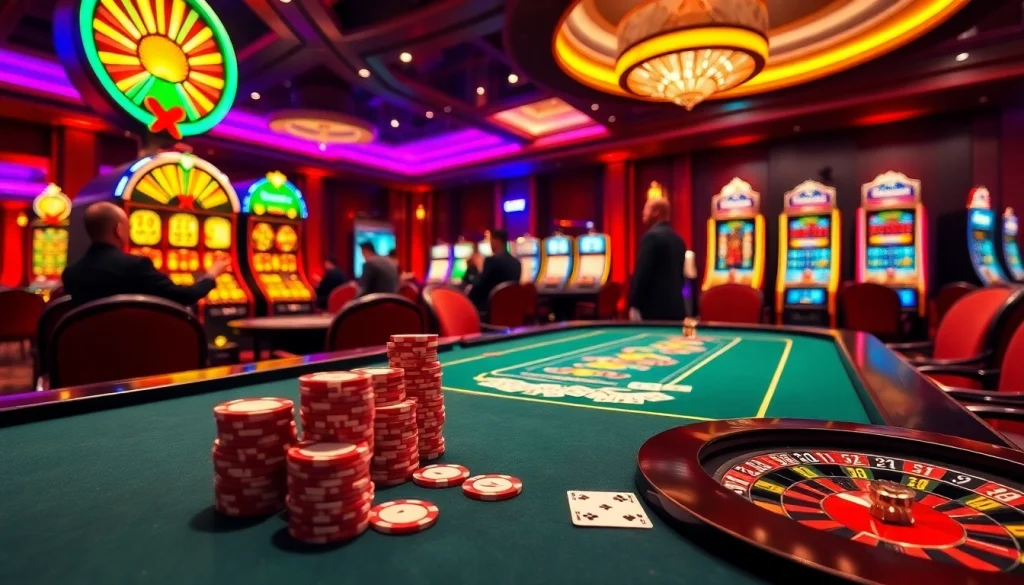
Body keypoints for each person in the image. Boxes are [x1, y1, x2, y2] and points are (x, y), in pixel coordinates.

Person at [62, 202, 228, 306]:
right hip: (137, 351)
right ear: (119, 230)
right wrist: (212, 274)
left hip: (87, 353)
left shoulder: (71, 273)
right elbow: (185, 296)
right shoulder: (135, 266)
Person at [629, 198, 687, 321]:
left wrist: (634, 304)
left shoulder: (651, 237)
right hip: (677, 309)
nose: (643, 213)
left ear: (656, 212)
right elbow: (681, 278)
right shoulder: (679, 240)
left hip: (654, 311)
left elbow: (642, 275)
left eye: (646, 209)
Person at [469, 229, 521, 312]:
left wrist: (478, 268)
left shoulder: (491, 261)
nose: (490, 244)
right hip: (512, 309)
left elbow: (478, 286)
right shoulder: (517, 262)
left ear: (496, 241)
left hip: (491, 309)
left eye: (491, 241)